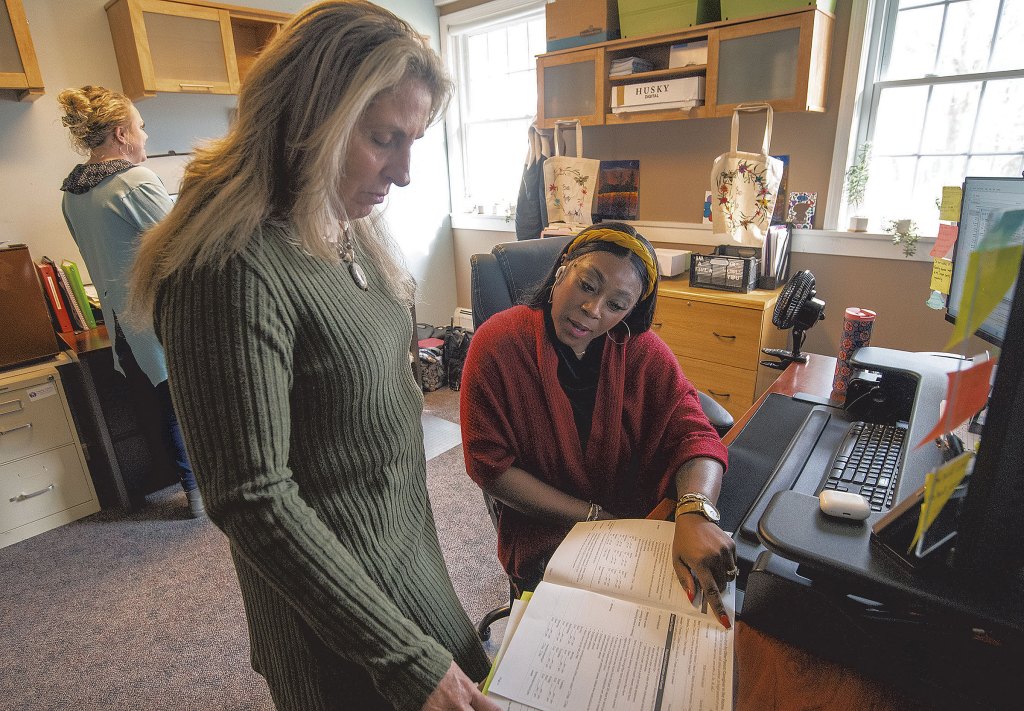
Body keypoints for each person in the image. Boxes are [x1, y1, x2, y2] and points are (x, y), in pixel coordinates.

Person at [127, 3, 497, 710]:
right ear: (307, 116)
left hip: (408, 570)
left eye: (413, 139)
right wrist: (405, 659)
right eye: (385, 136)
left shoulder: (339, 214)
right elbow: (253, 496)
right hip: (338, 623)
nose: (405, 170)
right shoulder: (228, 266)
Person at [460, 223, 737, 628]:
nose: (594, 310)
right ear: (563, 268)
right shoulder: (498, 344)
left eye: (617, 304)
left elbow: (694, 432)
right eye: (588, 286)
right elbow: (491, 468)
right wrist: (595, 518)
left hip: (642, 529)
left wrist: (697, 510)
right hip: (549, 531)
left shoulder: (639, 350)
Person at [58, 85, 204, 519]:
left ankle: (193, 488)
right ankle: (209, 488)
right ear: (121, 134)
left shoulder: (73, 192)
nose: (145, 136)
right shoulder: (133, 180)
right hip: (163, 315)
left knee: (167, 404)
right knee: (190, 402)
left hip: (125, 324)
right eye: (141, 127)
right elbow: (184, 246)